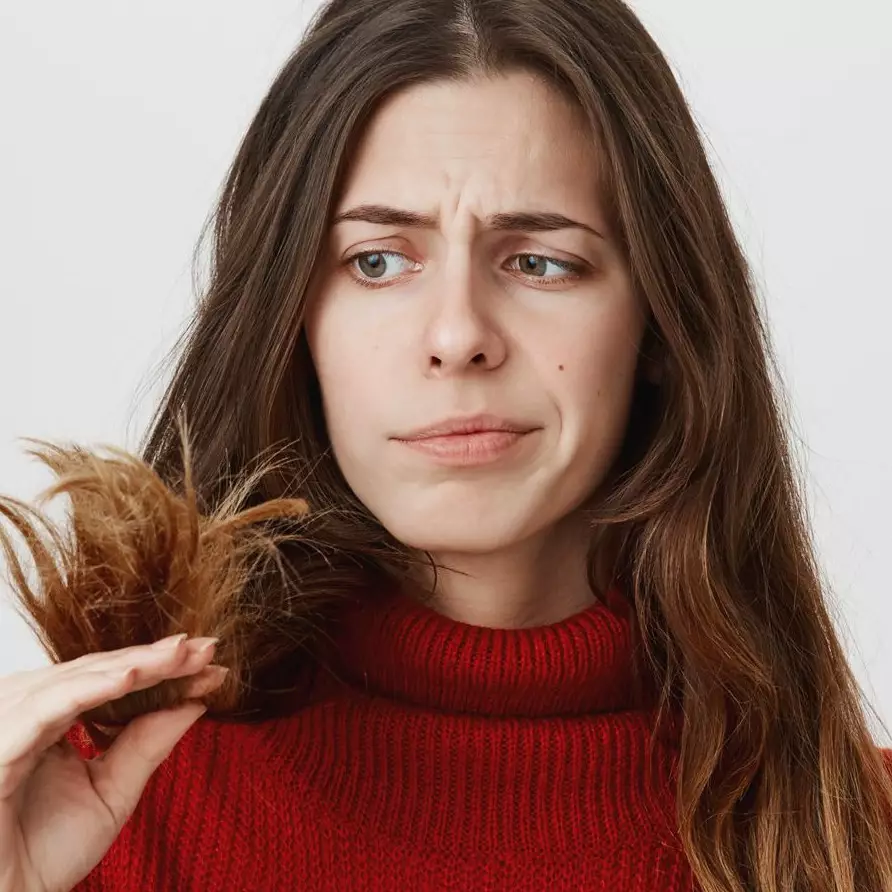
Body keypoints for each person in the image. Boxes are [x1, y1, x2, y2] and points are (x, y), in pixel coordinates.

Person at [1, 0, 891, 889]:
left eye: (539, 261)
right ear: (293, 321)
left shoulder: (861, 831)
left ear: (659, 325)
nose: (458, 334)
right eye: (378, 261)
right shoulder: (88, 804)